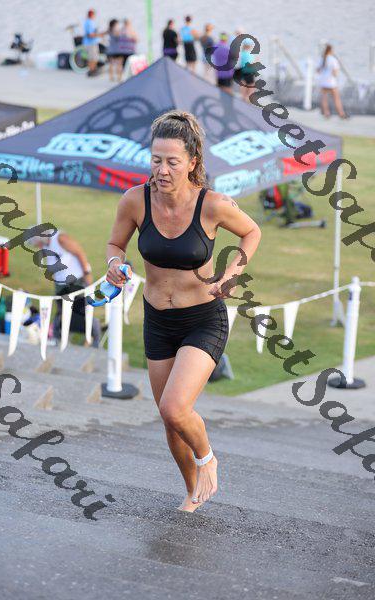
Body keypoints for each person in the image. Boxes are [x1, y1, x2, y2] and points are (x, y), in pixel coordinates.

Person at [104, 110, 261, 512]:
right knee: (170, 421)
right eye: (156, 160)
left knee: (175, 407)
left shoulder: (212, 204)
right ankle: (192, 492)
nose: (162, 170)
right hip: (158, 320)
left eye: (172, 162)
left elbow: (251, 231)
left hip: (203, 319)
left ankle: (208, 459)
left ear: (192, 162)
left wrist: (232, 274)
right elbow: (115, 244)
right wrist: (114, 264)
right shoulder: (135, 200)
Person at [28, 227, 101, 348]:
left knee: (81, 312)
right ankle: (58, 339)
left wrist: (87, 273)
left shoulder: (60, 239)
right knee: (61, 312)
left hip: (75, 281)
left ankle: (95, 339)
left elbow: (80, 252)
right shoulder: (45, 245)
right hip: (60, 284)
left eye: (37, 244)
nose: (37, 247)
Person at [316, 44, 348, 119]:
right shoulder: (333, 59)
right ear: (331, 50)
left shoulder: (322, 59)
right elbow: (335, 72)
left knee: (324, 98)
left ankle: (326, 113)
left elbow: (318, 70)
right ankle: (341, 114)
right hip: (331, 82)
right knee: (336, 98)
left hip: (323, 81)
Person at [233, 34, 257, 102]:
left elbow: (238, 64)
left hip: (242, 71)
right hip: (250, 71)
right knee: (251, 85)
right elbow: (253, 63)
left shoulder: (241, 53)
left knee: (243, 84)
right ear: (250, 46)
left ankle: (243, 97)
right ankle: (248, 98)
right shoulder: (251, 55)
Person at [82, 9, 103, 77]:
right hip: (91, 43)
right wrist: (99, 35)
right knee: (93, 58)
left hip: (90, 43)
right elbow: (90, 35)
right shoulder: (89, 22)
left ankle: (92, 70)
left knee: (92, 58)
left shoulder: (88, 22)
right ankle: (91, 71)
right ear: (92, 15)